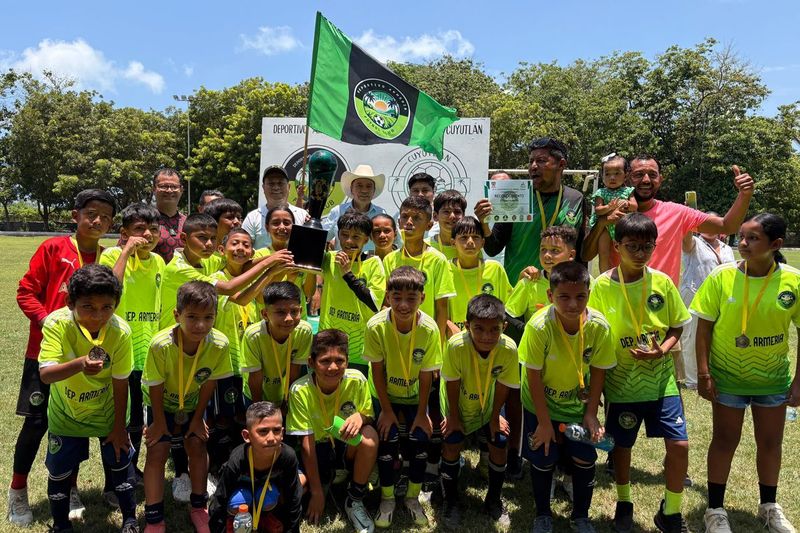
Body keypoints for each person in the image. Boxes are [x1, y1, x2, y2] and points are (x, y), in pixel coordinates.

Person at [10, 188, 116, 526]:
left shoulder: (108, 257)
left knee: (75, 420)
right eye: (91, 213)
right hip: (45, 353)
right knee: (37, 422)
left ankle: (69, 486)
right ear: (76, 216)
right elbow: (25, 291)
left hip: (85, 357)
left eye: (105, 215)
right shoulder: (53, 248)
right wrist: (48, 322)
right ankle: (17, 491)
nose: (97, 220)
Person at [692, 213, 800, 533]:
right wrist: (704, 373)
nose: (742, 243)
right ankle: (714, 510)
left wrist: (798, 381)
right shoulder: (722, 277)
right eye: (741, 236)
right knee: (724, 440)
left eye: (752, 238)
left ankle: (769, 506)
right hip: (727, 378)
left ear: (775, 244)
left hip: (772, 380)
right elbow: (704, 329)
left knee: (770, 442)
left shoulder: (793, 280)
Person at [588, 213, 691, 533]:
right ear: (617, 246)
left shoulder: (661, 282)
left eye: (647, 246)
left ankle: (670, 512)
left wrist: (663, 348)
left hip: (661, 382)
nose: (640, 252)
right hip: (621, 383)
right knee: (622, 447)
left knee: (679, 446)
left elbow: (677, 324)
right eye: (632, 246)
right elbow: (593, 331)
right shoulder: (602, 285)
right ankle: (624, 502)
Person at [39, 264, 137, 533]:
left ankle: (130, 521)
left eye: (107, 307)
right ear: (70, 302)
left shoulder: (120, 332)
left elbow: (120, 382)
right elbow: (46, 374)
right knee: (59, 471)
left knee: (119, 464)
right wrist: (80, 363)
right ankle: (60, 525)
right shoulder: (57, 324)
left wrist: (118, 427)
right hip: (66, 414)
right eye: (88, 307)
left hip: (107, 413)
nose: (98, 316)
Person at [520, 261, 615, 533]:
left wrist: (590, 414)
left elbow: (598, 370)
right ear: (550, 296)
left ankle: (581, 516)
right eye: (564, 297)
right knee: (544, 455)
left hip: (577, 406)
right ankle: (542, 514)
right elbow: (533, 376)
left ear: (589, 294)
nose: (573, 304)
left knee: (585, 458)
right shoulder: (539, 327)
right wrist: (544, 421)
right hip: (541, 405)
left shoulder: (599, 327)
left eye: (580, 297)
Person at [142, 281, 233, 533]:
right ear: (176, 315)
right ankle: (154, 518)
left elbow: (210, 381)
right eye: (191, 317)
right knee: (157, 451)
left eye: (208, 317)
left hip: (193, 402)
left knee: (197, 443)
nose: (200, 325)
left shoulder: (219, 343)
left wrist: (196, 419)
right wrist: (159, 421)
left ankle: (198, 507)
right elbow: (155, 385)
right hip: (160, 404)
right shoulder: (161, 344)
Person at [583, 156, 754, 287]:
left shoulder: (677, 212)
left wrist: (744, 195)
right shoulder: (609, 211)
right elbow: (585, 255)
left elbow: (727, 226)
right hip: (618, 302)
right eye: (638, 175)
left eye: (652, 175)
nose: (646, 180)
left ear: (661, 179)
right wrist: (603, 222)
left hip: (661, 305)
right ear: (627, 179)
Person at [364, 266, 442, 528]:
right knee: (388, 439)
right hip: (386, 396)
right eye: (396, 297)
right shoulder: (376, 326)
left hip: (416, 398)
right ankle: (387, 498)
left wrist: (422, 413)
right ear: (387, 296)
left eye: (411, 298)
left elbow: (426, 375)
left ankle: (411, 497)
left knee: (421, 440)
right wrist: (386, 411)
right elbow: (377, 371)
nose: (403, 305)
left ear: (422, 296)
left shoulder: (430, 329)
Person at [99, 202, 165, 491]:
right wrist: (126, 250)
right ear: (124, 233)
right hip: (120, 352)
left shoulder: (160, 262)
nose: (147, 235)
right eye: (139, 229)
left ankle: (130, 471)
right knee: (118, 421)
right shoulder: (113, 255)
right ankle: (112, 482)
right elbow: (110, 288)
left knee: (138, 421)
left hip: (146, 354)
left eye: (153, 229)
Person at [286, 329, 379, 532]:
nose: (333, 367)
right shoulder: (299, 390)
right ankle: (323, 485)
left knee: (370, 436)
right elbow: (306, 444)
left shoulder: (357, 380)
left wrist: (361, 417)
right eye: (325, 361)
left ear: (347, 361)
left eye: (340, 360)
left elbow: (369, 415)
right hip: (317, 451)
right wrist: (317, 493)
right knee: (296, 490)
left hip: (346, 447)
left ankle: (354, 499)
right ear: (311, 363)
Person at [439, 294, 519, 528]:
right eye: (479, 329)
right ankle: (451, 501)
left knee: (499, 441)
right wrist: (453, 416)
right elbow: (451, 383)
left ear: (504, 327)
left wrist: (495, 418)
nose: (487, 336)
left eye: (494, 330)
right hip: (458, 404)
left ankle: (493, 500)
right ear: (466, 326)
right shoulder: (456, 346)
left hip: (489, 406)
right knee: (452, 441)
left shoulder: (509, 348)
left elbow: (504, 384)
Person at [477, 138, 589, 283]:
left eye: (541, 160)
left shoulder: (575, 199)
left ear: (561, 164)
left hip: (561, 291)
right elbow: (493, 249)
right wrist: (484, 223)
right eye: (531, 161)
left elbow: (580, 252)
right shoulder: (516, 196)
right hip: (519, 289)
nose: (533, 166)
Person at [208, 401, 303, 533]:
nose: (271, 438)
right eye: (263, 431)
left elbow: (294, 499)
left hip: (267, 494)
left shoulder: (288, 457)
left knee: (276, 493)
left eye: (276, 430)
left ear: (282, 433)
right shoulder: (237, 460)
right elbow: (220, 500)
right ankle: (233, 519)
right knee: (238, 500)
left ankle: (266, 517)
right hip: (241, 495)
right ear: (247, 436)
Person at [319, 211, 386, 375]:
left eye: (356, 237)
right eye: (345, 235)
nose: (349, 241)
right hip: (327, 342)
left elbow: (374, 303)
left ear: (367, 239)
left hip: (359, 350)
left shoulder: (373, 263)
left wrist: (348, 274)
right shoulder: (330, 259)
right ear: (338, 236)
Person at [383, 195, 456, 339]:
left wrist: (438, 343)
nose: (409, 222)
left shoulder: (437, 259)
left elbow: (441, 308)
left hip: (425, 338)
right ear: (399, 222)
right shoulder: (389, 259)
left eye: (416, 218)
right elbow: (385, 303)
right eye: (405, 217)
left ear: (429, 225)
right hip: (395, 338)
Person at [678, 215, 734, 389]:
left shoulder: (727, 248)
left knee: (719, 335)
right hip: (695, 294)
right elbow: (685, 236)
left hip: (722, 297)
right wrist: (689, 214)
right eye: (705, 223)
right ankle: (692, 379)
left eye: (713, 223)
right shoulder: (694, 243)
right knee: (692, 336)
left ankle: (715, 372)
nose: (709, 227)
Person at [241, 282, 313, 407]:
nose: (289, 318)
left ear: (301, 311)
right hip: (256, 394)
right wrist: (259, 409)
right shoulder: (254, 335)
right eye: (280, 312)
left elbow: (295, 372)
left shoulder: (304, 331)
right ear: (265, 314)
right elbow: (255, 377)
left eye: (294, 311)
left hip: (286, 395)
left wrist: (289, 402)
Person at [447, 216, 512, 332]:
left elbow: (508, 305)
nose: (470, 242)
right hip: (455, 338)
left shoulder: (494, 268)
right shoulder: (445, 269)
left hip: (488, 337)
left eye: (476, 237)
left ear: (483, 242)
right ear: (453, 243)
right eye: (464, 238)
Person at [252, 205, 316, 320]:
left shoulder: (300, 255)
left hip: (297, 323)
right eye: (276, 223)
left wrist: (312, 262)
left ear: (294, 226)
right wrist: (284, 275)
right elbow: (260, 298)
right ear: (267, 227)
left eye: (287, 223)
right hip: (269, 324)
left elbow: (309, 293)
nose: (282, 227)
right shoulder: (260, 256)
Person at [323, 164, 388, 253]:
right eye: (359, 185)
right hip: (341, 263)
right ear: (351, 189)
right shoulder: (338, 211)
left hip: (371, 265)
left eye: (369, 186)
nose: (364, 190)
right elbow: (323, 238)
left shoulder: (381, 214)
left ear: (374, 191)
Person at [242, 165, 309, 250]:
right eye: (271, 183)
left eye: (280, 183)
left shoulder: (303, 215)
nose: (276, 187)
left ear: (289, 187)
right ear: (263, 187)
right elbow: (244, 250)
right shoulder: (252, 218)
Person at [590, 154, 637, 273]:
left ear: (625, 175)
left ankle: (627, 273)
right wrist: (608, 207)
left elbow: (635, 206)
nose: (612, 177)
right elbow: (598, 210)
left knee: (627, 251)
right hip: (605, 227)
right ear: (602, 176)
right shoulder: (601, 192)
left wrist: (626, 203)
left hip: (623, 226)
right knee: (603, 253)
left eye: (617, 173)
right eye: (607, 174)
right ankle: (603, 276)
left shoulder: (628, 191)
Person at [151, 168, 187, 264]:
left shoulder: (189, 223)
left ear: (181, 189)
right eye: (163, 186)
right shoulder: (143, 221)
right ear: (154, 189)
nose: (169, 190)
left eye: (174, 186)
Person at [203, 198, 245, 273]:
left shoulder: (244, 254)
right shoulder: (202, 258)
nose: (237, 222)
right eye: (229, 217)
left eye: (239, 218)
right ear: (213, 222)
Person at [429, 190, 467, 261]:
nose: (452, 216)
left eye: (457, 212)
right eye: (446, 211)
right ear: (435, 216)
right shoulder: (425, 246)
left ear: (463, 216)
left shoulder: (470, 247)